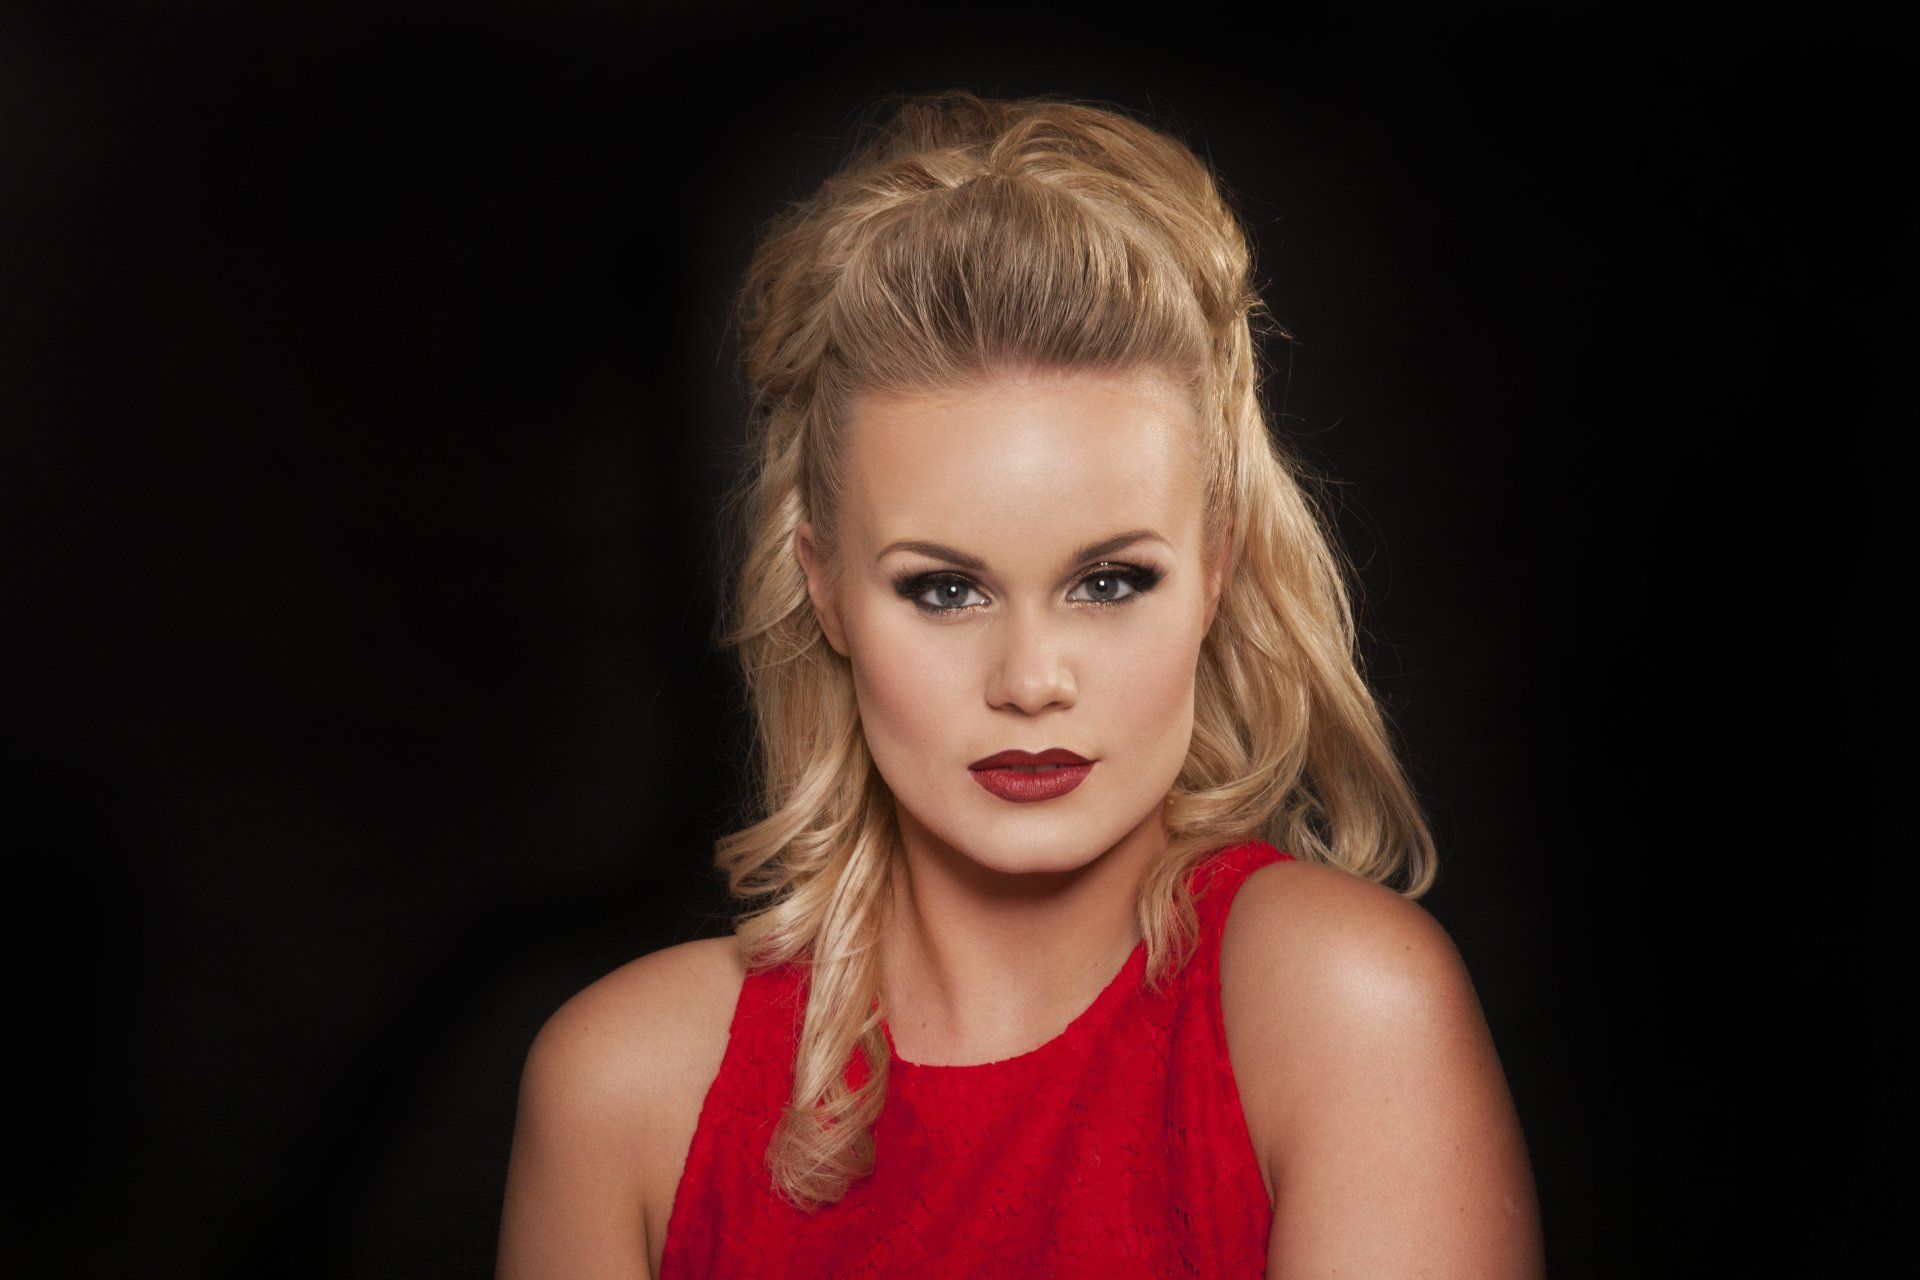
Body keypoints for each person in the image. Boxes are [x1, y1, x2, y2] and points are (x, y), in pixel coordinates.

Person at [496, 89, 1543, 1278]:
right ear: (824, 589)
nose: (1031, 679)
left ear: (1216, 570)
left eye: (1109, 581)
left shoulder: (1340, 1007)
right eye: (945, 589)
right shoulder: (622, 1087)